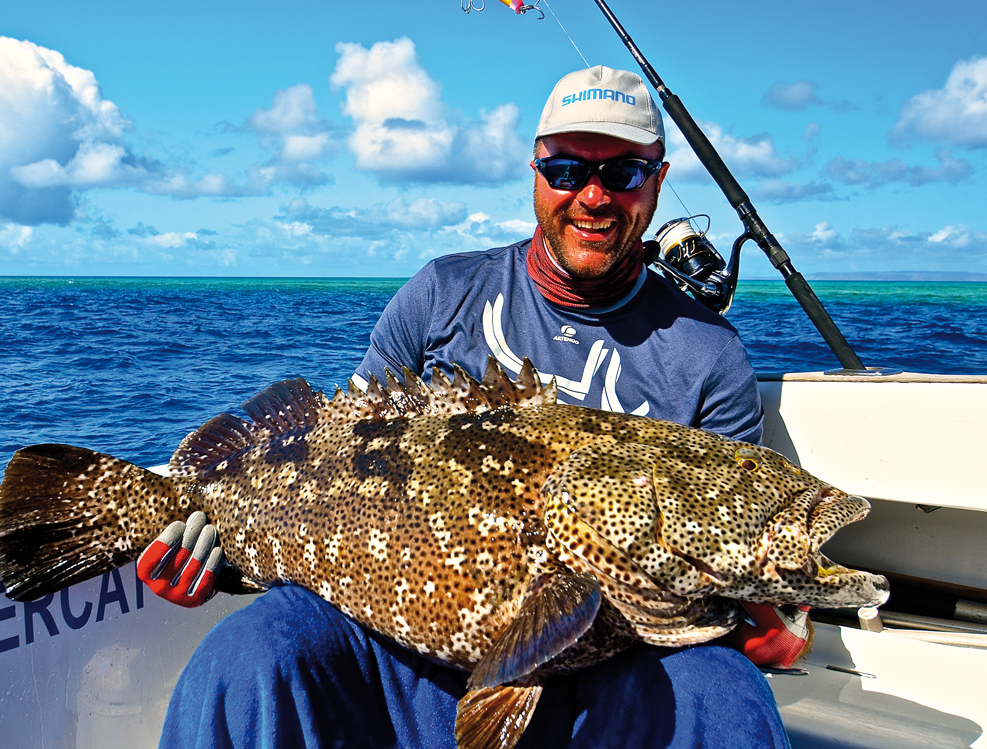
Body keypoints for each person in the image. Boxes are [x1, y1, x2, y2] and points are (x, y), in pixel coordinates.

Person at [143, 66, 795, 749]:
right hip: (404, 646)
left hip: (613, 673)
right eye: (568, 169)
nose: (594, 196)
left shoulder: (707, 355)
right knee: (251, 653)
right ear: (536, 173)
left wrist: (769, 616)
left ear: (657, 182)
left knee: (726, 696)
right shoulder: (440, 295)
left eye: (624, 174)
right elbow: (339, 457)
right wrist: (218, 557)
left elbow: (732, 555)